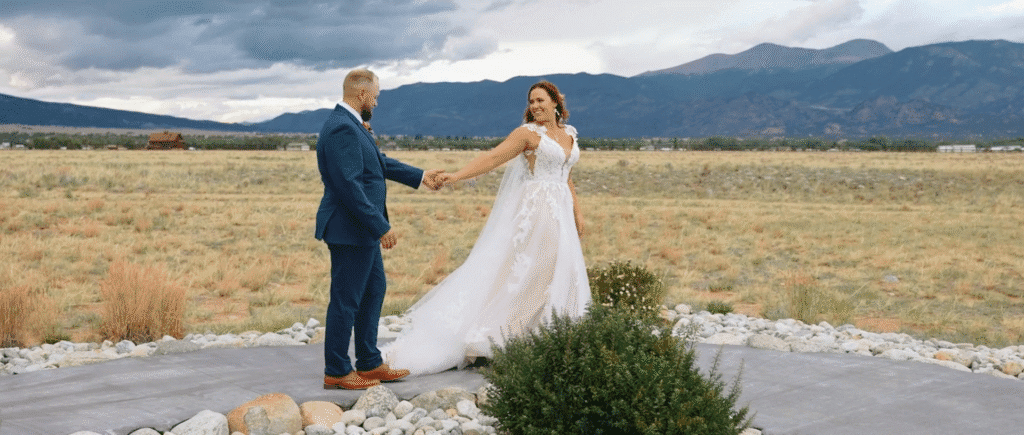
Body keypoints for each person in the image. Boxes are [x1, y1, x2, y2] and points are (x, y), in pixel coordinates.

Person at [382, 80, 592, 376]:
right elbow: (493, 158)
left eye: (541, 100)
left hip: (561, 211)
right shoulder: (527, 134)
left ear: (556, 102)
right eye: (531, 101)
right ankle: (498, 336)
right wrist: (456, 176)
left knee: (562, 271)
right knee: (534, 271)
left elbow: (566, 174)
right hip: (538, 212)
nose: (535, 106)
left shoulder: (569, 134)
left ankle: (549, 336)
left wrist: (577, 212)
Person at [315, 68, 443, 390]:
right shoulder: (342, 129)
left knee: (373, 291)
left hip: (360, 231)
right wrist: (380, 226)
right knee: (346, 299)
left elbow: (379, 163)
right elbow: (349, 185)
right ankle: (337, 370)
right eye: (376, 95)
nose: (377, 101)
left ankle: (369, 363)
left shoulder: (353, 126)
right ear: (362, 95)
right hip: (350, 229)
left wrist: (420, 175)